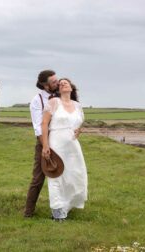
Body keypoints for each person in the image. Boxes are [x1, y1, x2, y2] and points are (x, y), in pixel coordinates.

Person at [41, 78, 88, 222]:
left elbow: (79, 123)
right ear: (59, 89)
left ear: (71, 88)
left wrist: (79, 131)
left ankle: (67, 205)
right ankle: (57, 212)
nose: (62, 84)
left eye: (65, 82)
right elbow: (44, 124)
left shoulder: (78, 106)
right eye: (60, 84)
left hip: (73, 146)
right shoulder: (54, 102)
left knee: (75, 174)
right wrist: (45, 145)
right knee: (56, 175)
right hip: (57, 143)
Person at [23, 70, 58, 217]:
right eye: (54, 82)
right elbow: (38, 127)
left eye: (57, 80)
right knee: (38, 178)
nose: (57, 83)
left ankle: (60, 210)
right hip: (44, 141)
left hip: (61, 140)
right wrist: (45, 146)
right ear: (45, 85)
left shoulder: (60, 96)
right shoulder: (37, 100)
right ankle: (28, 212)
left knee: (62, 177)